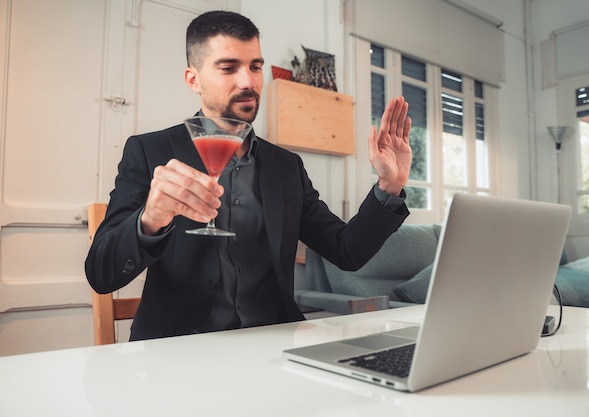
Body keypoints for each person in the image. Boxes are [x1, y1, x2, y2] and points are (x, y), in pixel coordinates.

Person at [85, 10, 412, 341]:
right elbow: (101, 274)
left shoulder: (287, 166)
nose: (248, 82)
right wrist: (149, 220)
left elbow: (347, 252)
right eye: (228, 68)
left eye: (255, 66)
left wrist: (390, 185)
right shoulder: (149, 151)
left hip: (273, 346)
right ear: (193, 79)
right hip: (178, 352)